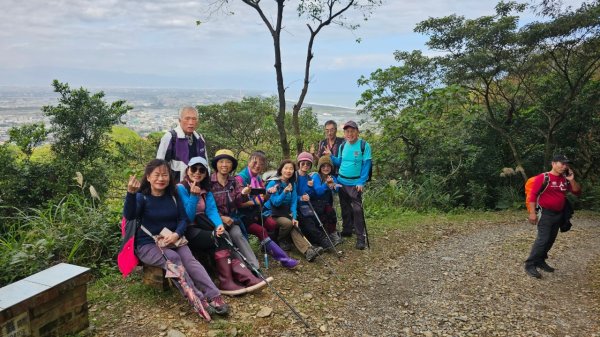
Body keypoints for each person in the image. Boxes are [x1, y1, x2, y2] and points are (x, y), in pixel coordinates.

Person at [123, 159, 228, 317]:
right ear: (148, 177)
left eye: (165, 175)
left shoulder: (173, 196)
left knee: (190, 261)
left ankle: (214, 295)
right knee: (173, 259)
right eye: (156, 175)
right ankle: (197, 299)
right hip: (148, 244)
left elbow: (183, 219)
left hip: (173, 239)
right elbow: (130, 215)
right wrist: (130, 194)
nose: (161, 178)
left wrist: (176, 234)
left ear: (170, 177)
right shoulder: (141, 197)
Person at [177, 156, 269, 296]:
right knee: (219, 239)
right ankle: (227, 281)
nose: (197, 172)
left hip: (205, 225)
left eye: (201, 170)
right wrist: (194, 196)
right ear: (187, 170)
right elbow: (187, 217)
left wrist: (219, 225)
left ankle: (245, 275)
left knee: (222, 234)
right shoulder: (181, 188)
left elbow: (211, 210)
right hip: (189, 229)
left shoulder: (205, 189)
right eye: (194, 169)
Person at [236, 151, 299, 269]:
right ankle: (284, 259)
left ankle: (268, 247)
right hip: (243, 216)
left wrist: (269, 194)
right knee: (261, 230)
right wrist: (254, 201)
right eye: (254, 162)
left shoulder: (258, 178)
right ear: (249, 162)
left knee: (271, 224)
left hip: (255, 213)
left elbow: (263, 199)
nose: (257, 166)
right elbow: (237, 203)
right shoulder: (240, 179)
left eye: (261, 164)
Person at [524, 154, 581, 279]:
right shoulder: (543, 177)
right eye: (562, 163)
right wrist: (532, 213)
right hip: (545, 213)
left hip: (559, 214)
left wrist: (571, 179)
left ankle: (540, 260)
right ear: (553, 163)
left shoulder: (565, 179)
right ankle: (530, 264)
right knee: (542, 239)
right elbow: (533, 196)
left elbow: (577, 191)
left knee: (551, 239)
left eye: (566, 164)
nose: (564, 166)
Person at [325, 120, 372, 250]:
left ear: (357, 132)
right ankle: (347, 230)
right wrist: (331, 156)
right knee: (345, 207)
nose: (349, 134)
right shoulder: (343, 146)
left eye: (352, 131)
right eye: (347, 131)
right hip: (341, 181)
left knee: (357, 209)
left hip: (355, 183)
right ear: (344, 133)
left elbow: (366, 164)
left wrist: (361, 181)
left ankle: (360, 237)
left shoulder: (364, 145)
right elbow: (340, 162)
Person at [263, 159, 323, 262]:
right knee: (288, 223)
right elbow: (275, 202)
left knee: (294, 224)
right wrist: (285, 192)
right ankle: (281, 240)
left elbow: (294, 202)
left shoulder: (292, 184)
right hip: (271, 212)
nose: (288, 171)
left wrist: (294, 217)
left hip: (284, 213)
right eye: (286, 168)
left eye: (291, 169)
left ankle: (308, 251)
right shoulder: (274, 183)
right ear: (281, 170)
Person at [156, 106, 208, 181]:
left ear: (197, 121)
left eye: (194, 119)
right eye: (187, 118)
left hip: (197, 185)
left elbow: (205, 163)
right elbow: (160, 164)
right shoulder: (171, 137)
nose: (191, 122)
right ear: (180, 120)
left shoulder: (199, 138)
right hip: (175, 186)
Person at [295, 152, 333, 250]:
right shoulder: (294, 177)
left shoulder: (309, 178)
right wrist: (300, 198)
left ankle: (318, 240)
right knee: (308, 222)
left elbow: (311, 193)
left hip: (306, 205)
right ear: (298, 163)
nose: (305, 166)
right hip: (296, 206)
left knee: (315, 219)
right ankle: (322, 241)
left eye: (308, 164)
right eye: (303, 163)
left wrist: (309, 190)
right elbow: (292, 195)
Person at [311, 155, 342, 246]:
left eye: (328, 166)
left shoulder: (332, 177)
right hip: (316, 203)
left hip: (327, 203)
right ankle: (325, 236)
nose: (326, 168)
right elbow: (318, 191)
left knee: (331, 215)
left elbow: (337, 189)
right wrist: (326, 184)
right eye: (323, 166)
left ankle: (332, 234)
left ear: (331, 167)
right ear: (320, 167)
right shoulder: (316, 177)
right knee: (327, 214)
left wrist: (333, 185)